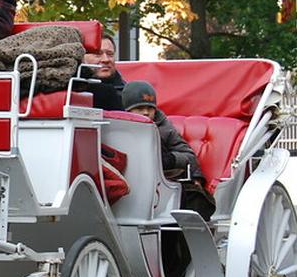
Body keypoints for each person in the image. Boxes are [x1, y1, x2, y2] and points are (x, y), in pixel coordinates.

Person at [122, 80, 216, 220]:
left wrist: (171, 159)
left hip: (164, 183)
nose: (146, 113)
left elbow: (189, 156)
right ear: (127, 111)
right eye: (140, 108)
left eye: (150, 108)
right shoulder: (119, 128)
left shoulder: (165, 128)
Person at [79, 37, 125, 110]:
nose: (106, 59)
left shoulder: (128, 93)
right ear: (83, 58)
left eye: (110, 54)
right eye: (98, 54)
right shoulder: (72, 92)